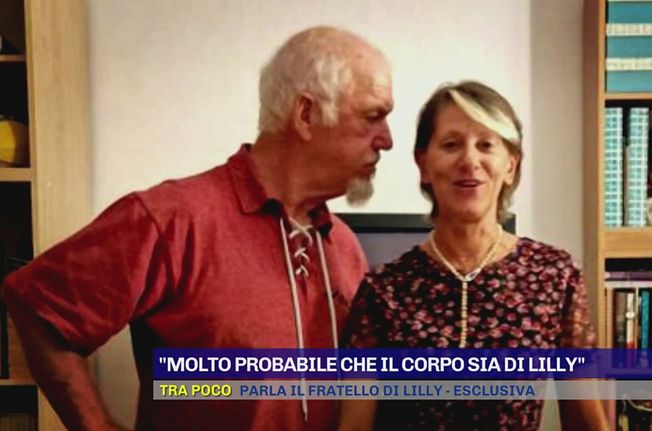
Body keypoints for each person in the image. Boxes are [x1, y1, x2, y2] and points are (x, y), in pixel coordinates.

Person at [2, 26, 393, 431]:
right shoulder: (171, 220)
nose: (387, 140)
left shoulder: (344, 246)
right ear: (306, 115)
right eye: (373, 116)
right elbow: (38, 305)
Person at [338, 81, 608, 430]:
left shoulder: (555, 275)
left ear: (510, 164)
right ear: (423, 163)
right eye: (451, 145)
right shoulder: (383, 290)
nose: (469, 161)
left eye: (486, 145)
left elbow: (585, 420)